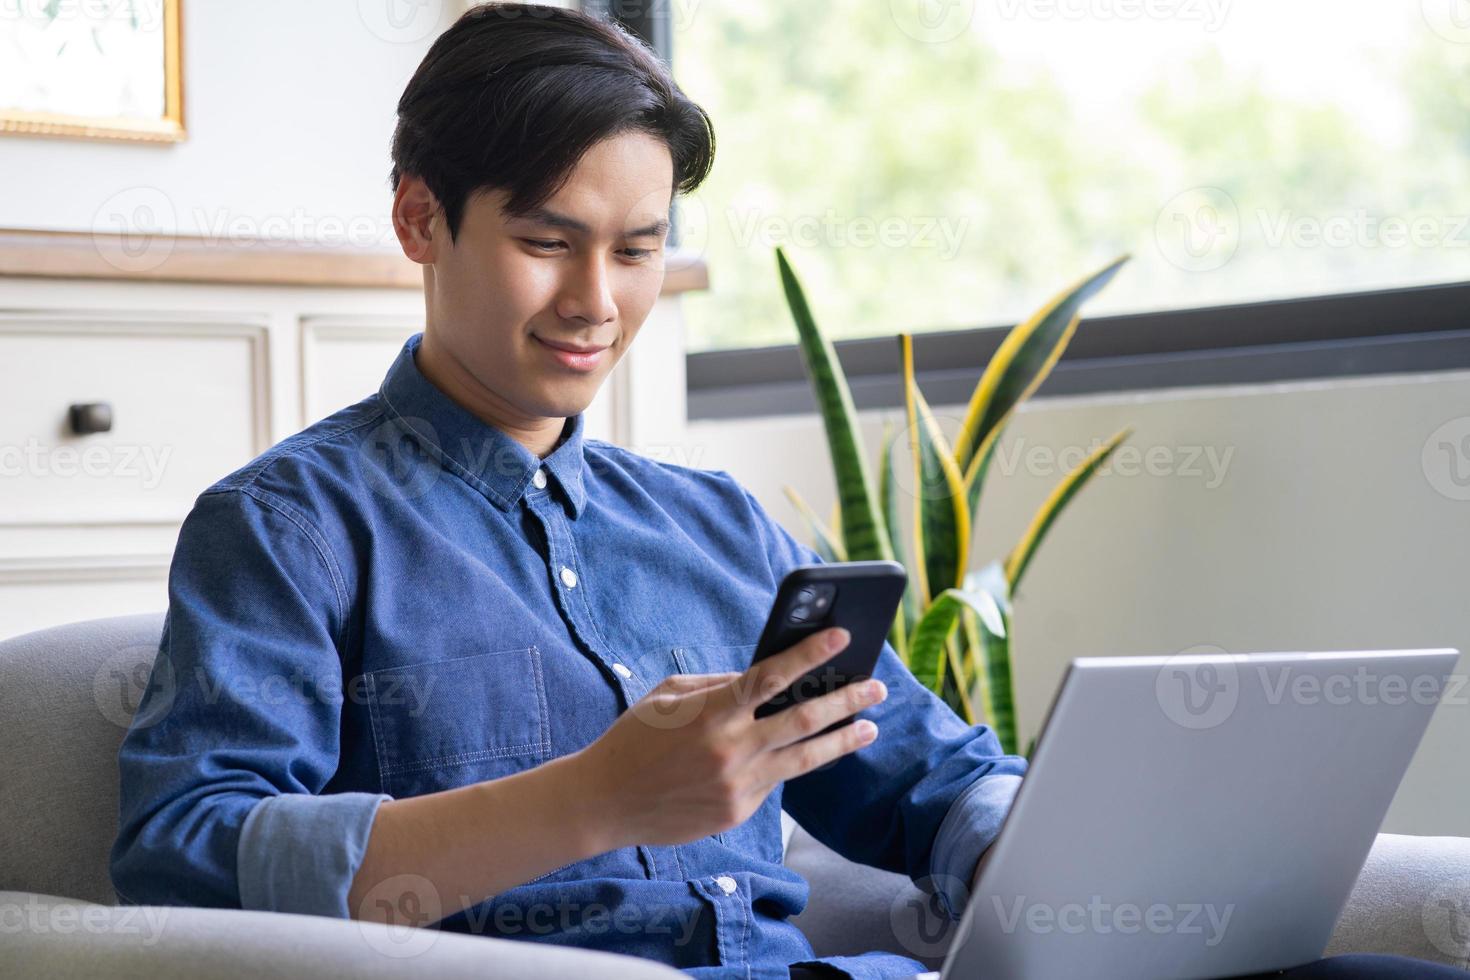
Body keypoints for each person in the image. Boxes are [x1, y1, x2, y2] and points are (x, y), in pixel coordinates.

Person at [107, 5, 1460, 979]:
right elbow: (184, 852)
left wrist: (1053, 855)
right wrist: (596, 799)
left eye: (638, 250)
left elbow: (924, 782)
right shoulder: (291, 529)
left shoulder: (713, 526)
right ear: (420, 221)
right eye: (544, 242)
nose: (596, 303)